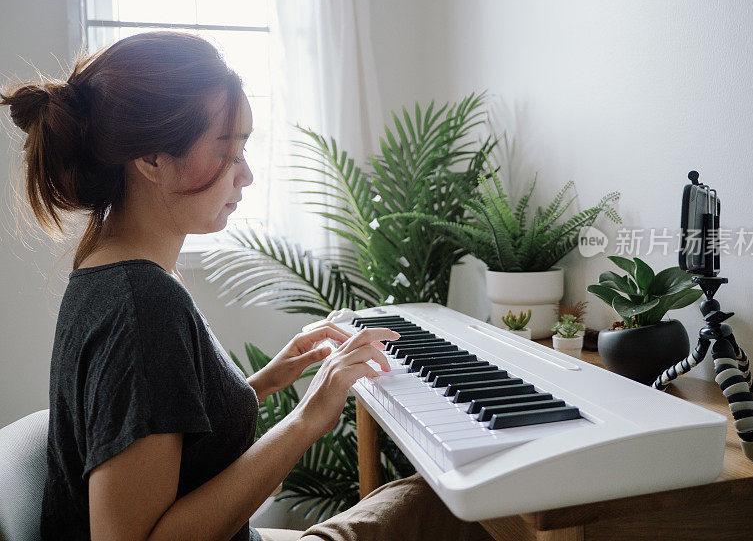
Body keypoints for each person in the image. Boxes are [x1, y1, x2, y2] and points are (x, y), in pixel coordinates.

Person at [0, 31, 492, 541]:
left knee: (440, 496)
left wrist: (268, 381)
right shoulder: (142, 306)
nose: (247, 175)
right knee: (469, 504)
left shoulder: (103, 269)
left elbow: (166, 435)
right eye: (227, 150)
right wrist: (305, 420)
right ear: (151, 160)